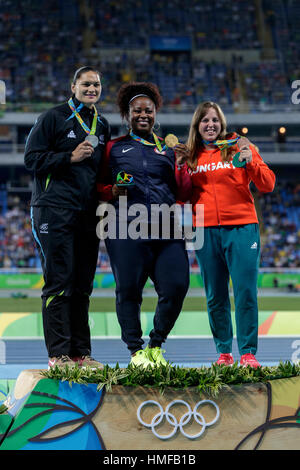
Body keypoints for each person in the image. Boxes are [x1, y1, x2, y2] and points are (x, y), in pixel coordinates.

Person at [97, 82, 191, 368]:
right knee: (128, 290)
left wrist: (185, 166)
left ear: (155, 113)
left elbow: (184, 194)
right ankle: (136, 352)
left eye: (148, 110)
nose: (143, 115)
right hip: (125, 228)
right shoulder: (113, 148)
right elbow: (97, 186)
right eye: (137, 110)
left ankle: (156, 344)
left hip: (166, 228)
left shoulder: (167, 149)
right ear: (127, 115)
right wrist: (110, 192)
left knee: (177, 285)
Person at [24, 66, 111, 369]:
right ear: (73, 86)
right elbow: (31, 158)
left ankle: (81, 354)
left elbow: (101, 172)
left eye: (96, 84)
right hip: (53, 209)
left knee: (82, 285)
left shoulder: (102, 124)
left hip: (87, 214)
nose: (92, 89)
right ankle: (58, 355)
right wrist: (69, 157)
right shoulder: (53, 117)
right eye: (86, 84)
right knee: (59, 282)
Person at [183, 101, 276, 368]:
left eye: (214, 120)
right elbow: (180, 194)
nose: (210, 125)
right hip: (204, 230)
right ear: (197, 126)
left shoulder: (239, 147)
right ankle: (224, 353)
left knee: (245, 292)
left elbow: (267, 184)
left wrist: (252, 164)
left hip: (242, 228)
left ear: (221, 123)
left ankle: (248, 353)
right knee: (215, 295)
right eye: (204, 120)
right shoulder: (189, 155)